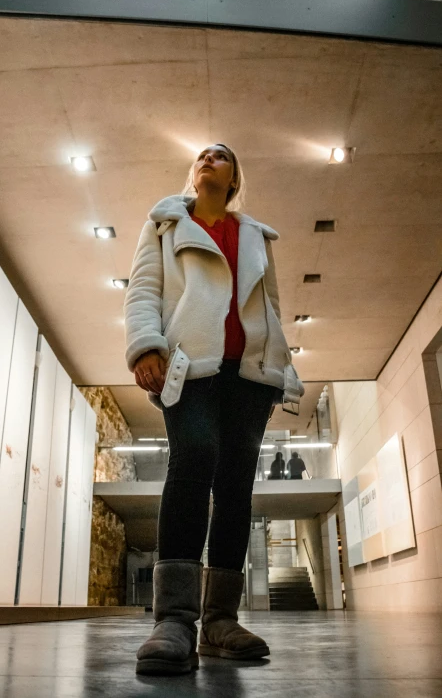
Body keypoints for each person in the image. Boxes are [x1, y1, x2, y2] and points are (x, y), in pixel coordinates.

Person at [124, 143, 302, 676]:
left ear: (234, 176)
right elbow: (142, 290)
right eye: (202, 155)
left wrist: (277, 372)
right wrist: (145, 345)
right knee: (193, 457)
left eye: (220, 155)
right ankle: (175, 619)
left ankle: (220, 619)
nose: (208, 159)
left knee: (235, 486)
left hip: (247, 376)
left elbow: (268, 306)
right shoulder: (164, 223)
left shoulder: (256, 236)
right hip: (190, 366)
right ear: (193, 173)